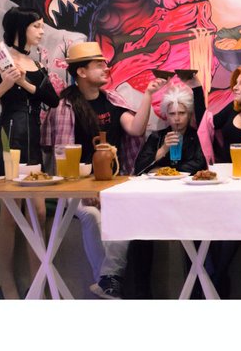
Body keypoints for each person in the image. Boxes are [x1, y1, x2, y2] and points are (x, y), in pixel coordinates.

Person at [41, 41, 164, 299]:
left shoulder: (112, 101)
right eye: (98, 64)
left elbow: (135, 128)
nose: (105, 68)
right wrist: (85, 190)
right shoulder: (65, 106)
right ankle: (107, 280)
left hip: (113, 183)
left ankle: (107, 282)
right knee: (92, 215)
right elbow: (62, 159)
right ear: (81, 72)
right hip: (75, 186)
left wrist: (148, 96)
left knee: (127, 213)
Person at [0, 7, 59, 299]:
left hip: (32, 139)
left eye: (41, 26)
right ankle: (8, 286)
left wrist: (24, 82)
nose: (41, 31)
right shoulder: (1, 63)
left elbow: (52, 99)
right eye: (36, 25)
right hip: (10, 137)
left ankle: (38, 285)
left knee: (38, 212)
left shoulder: (35, 63)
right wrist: (5, 83)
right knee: (10, 214)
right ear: (20, 27)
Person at [132, 84, 206, 298]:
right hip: (157, 201)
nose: (177, 119)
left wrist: (169, 170)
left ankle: (197, 292)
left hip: (190, 200)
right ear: (166, 115)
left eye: (182, 113)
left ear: (189, 114)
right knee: (139, 235)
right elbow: (139, 168)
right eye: (172, 114)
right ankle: (140, 294)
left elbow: (200, 164)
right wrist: (163, 150)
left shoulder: (196, 136)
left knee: (198, 239)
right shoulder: (157, 137)